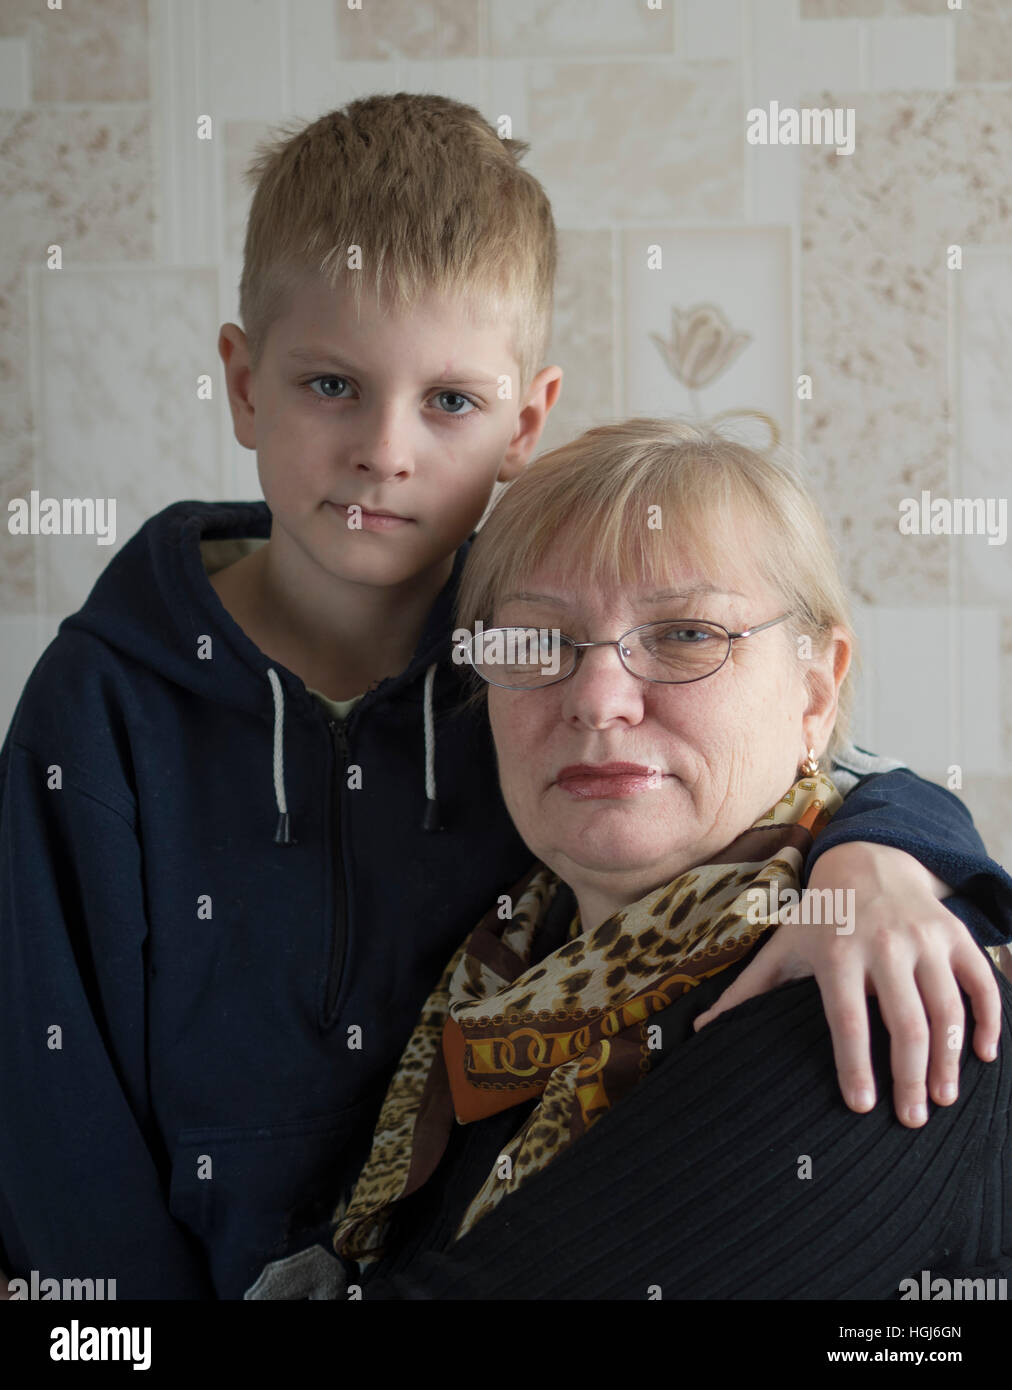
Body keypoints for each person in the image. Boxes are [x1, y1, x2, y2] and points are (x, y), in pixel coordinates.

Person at [0, 97, 1008, 1302]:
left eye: (450, 403)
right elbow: (46, 1084)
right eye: (331, 384)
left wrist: (885, 859)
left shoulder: (530, 655)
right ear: (242, 382)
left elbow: (801, 763)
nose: (385, 449)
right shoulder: (105, 698)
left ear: (526, 419)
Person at [247, 419, 1012, 1301]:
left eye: (687, 634)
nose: (599, 700)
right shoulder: (498, 963)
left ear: (816, 687)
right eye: (534, 643)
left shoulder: (880, 991)